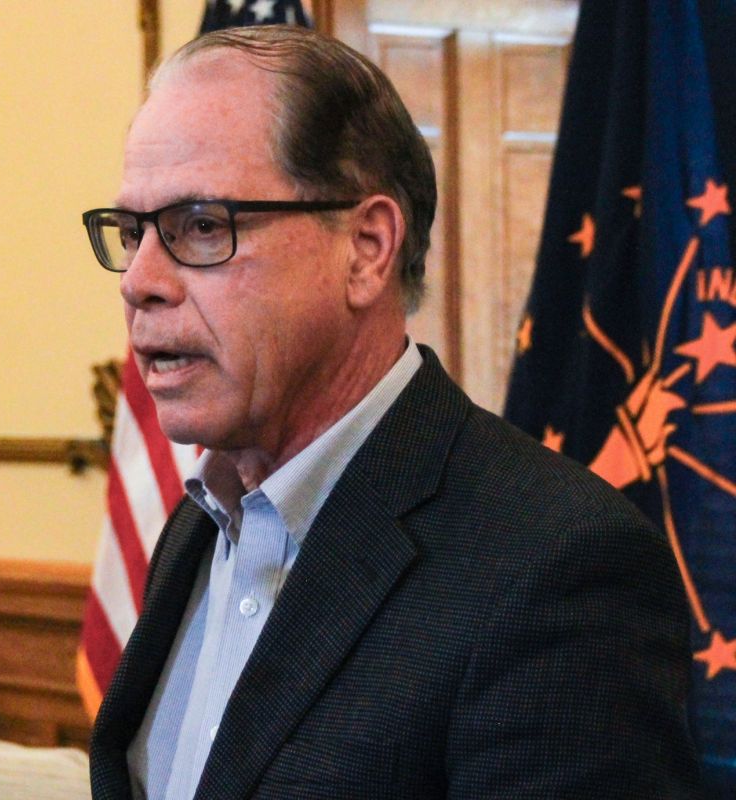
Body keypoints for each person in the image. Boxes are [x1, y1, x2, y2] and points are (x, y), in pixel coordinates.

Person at [81, 25, 701, 800]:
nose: (138, 280)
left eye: (201, 227)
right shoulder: (202, 523)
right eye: (133, 232)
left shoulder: (556, 567)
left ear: (368, 248)